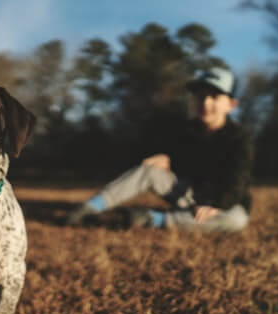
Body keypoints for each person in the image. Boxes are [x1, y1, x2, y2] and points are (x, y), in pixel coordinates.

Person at [66, 67, 254, 232]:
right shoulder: (187, 130)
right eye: (201, 96)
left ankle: (150, 219)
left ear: (231, 104)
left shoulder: (239, 138)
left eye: (214, 96)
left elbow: (238, 180)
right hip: (189, 197)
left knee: (237, 220)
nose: (205, 103)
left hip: (222, 203)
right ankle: (88, 209)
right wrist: (168, 159)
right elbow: (179, 161)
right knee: (149, 170)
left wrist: (216, 205)